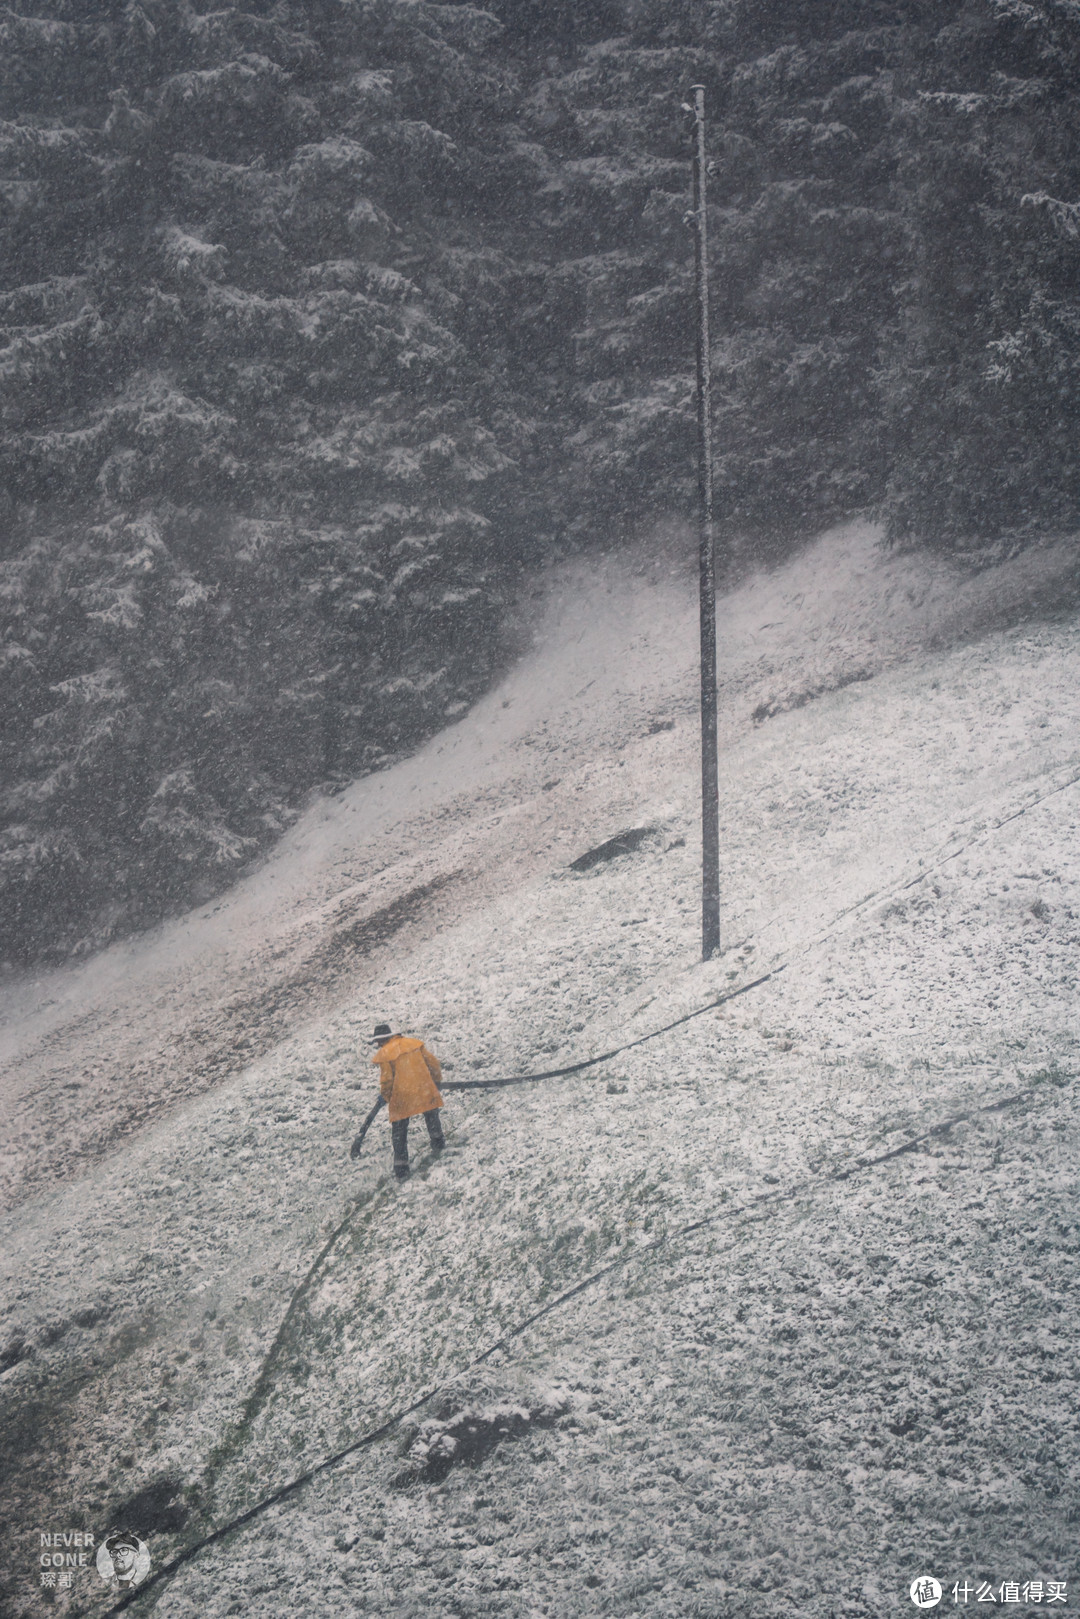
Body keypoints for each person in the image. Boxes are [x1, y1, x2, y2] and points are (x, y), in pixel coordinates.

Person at [370, 1023, 446, 1179]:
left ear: (382, 1039)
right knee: (431, 1116)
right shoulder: (413, 1044)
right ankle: (439, 1144)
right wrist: (435, 1082)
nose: (377, 1045)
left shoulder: (386, 1053)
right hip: (424, 1089)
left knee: (399, 1130)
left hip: (402, 1097)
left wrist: (386, 1096)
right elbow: (433, 1063)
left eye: (378, 1042)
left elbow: (387, 1081)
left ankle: (401, 1167)